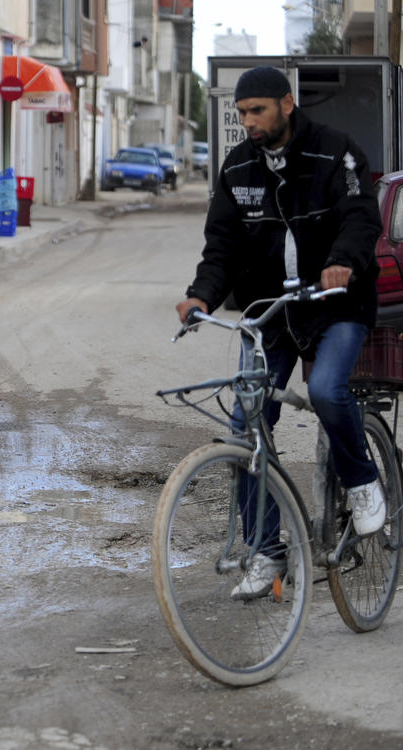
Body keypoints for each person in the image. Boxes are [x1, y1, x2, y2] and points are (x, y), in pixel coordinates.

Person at [174, 66, 386, 599]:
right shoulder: (238, 166)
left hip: (335, 304)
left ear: (286, 105)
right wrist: (201, 293)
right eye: (242, 113)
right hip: (273, 315)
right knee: (245, 425)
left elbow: (362, 218)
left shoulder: (337, 153)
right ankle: (266, 552)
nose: (248, 122)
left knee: (326, 390)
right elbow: (220, 243)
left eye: (257, 111)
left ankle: (363, 485)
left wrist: (342, 262)